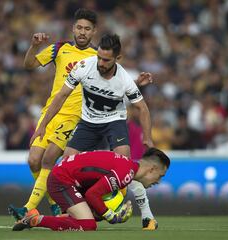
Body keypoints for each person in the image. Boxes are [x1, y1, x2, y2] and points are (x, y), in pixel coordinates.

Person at [8, 8, 152, 223]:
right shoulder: (60, 49)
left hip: (77, 116)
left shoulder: (98, 56)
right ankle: (58, 204)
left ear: (94, 31)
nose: (82, 32)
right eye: (79, 27)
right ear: (72, 28)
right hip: (57, 111)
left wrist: (134, 86)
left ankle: (30, 208)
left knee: (52, 160)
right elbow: (29, 65)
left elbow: (115, 85)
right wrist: (34, 46)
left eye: (87, 28)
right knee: (34, 160)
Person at [33, 34, 158, 230]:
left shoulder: (124, 79)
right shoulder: (84, 66)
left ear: (118, 59)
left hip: (114, 122)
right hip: (88, 122)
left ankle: (147, 215)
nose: (100, 62)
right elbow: (61, 96)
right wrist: (42, 125)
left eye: (106, 59)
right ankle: (77, 211)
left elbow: (143, 108)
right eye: (99, 57)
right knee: (66, 166)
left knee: (126, 165)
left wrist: (148, 138)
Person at [12, 148, 170, 231]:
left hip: (66, 177)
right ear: (152, 169)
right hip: (61, 179)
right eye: (160, 175)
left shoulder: (127, 167)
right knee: (88, 225)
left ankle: (38, 217)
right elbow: (93, 194)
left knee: (95, 215)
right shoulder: (126, 173)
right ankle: (36, 220)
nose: (158, 181)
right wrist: (112, 216)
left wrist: (106, 212)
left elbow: (94, 191)